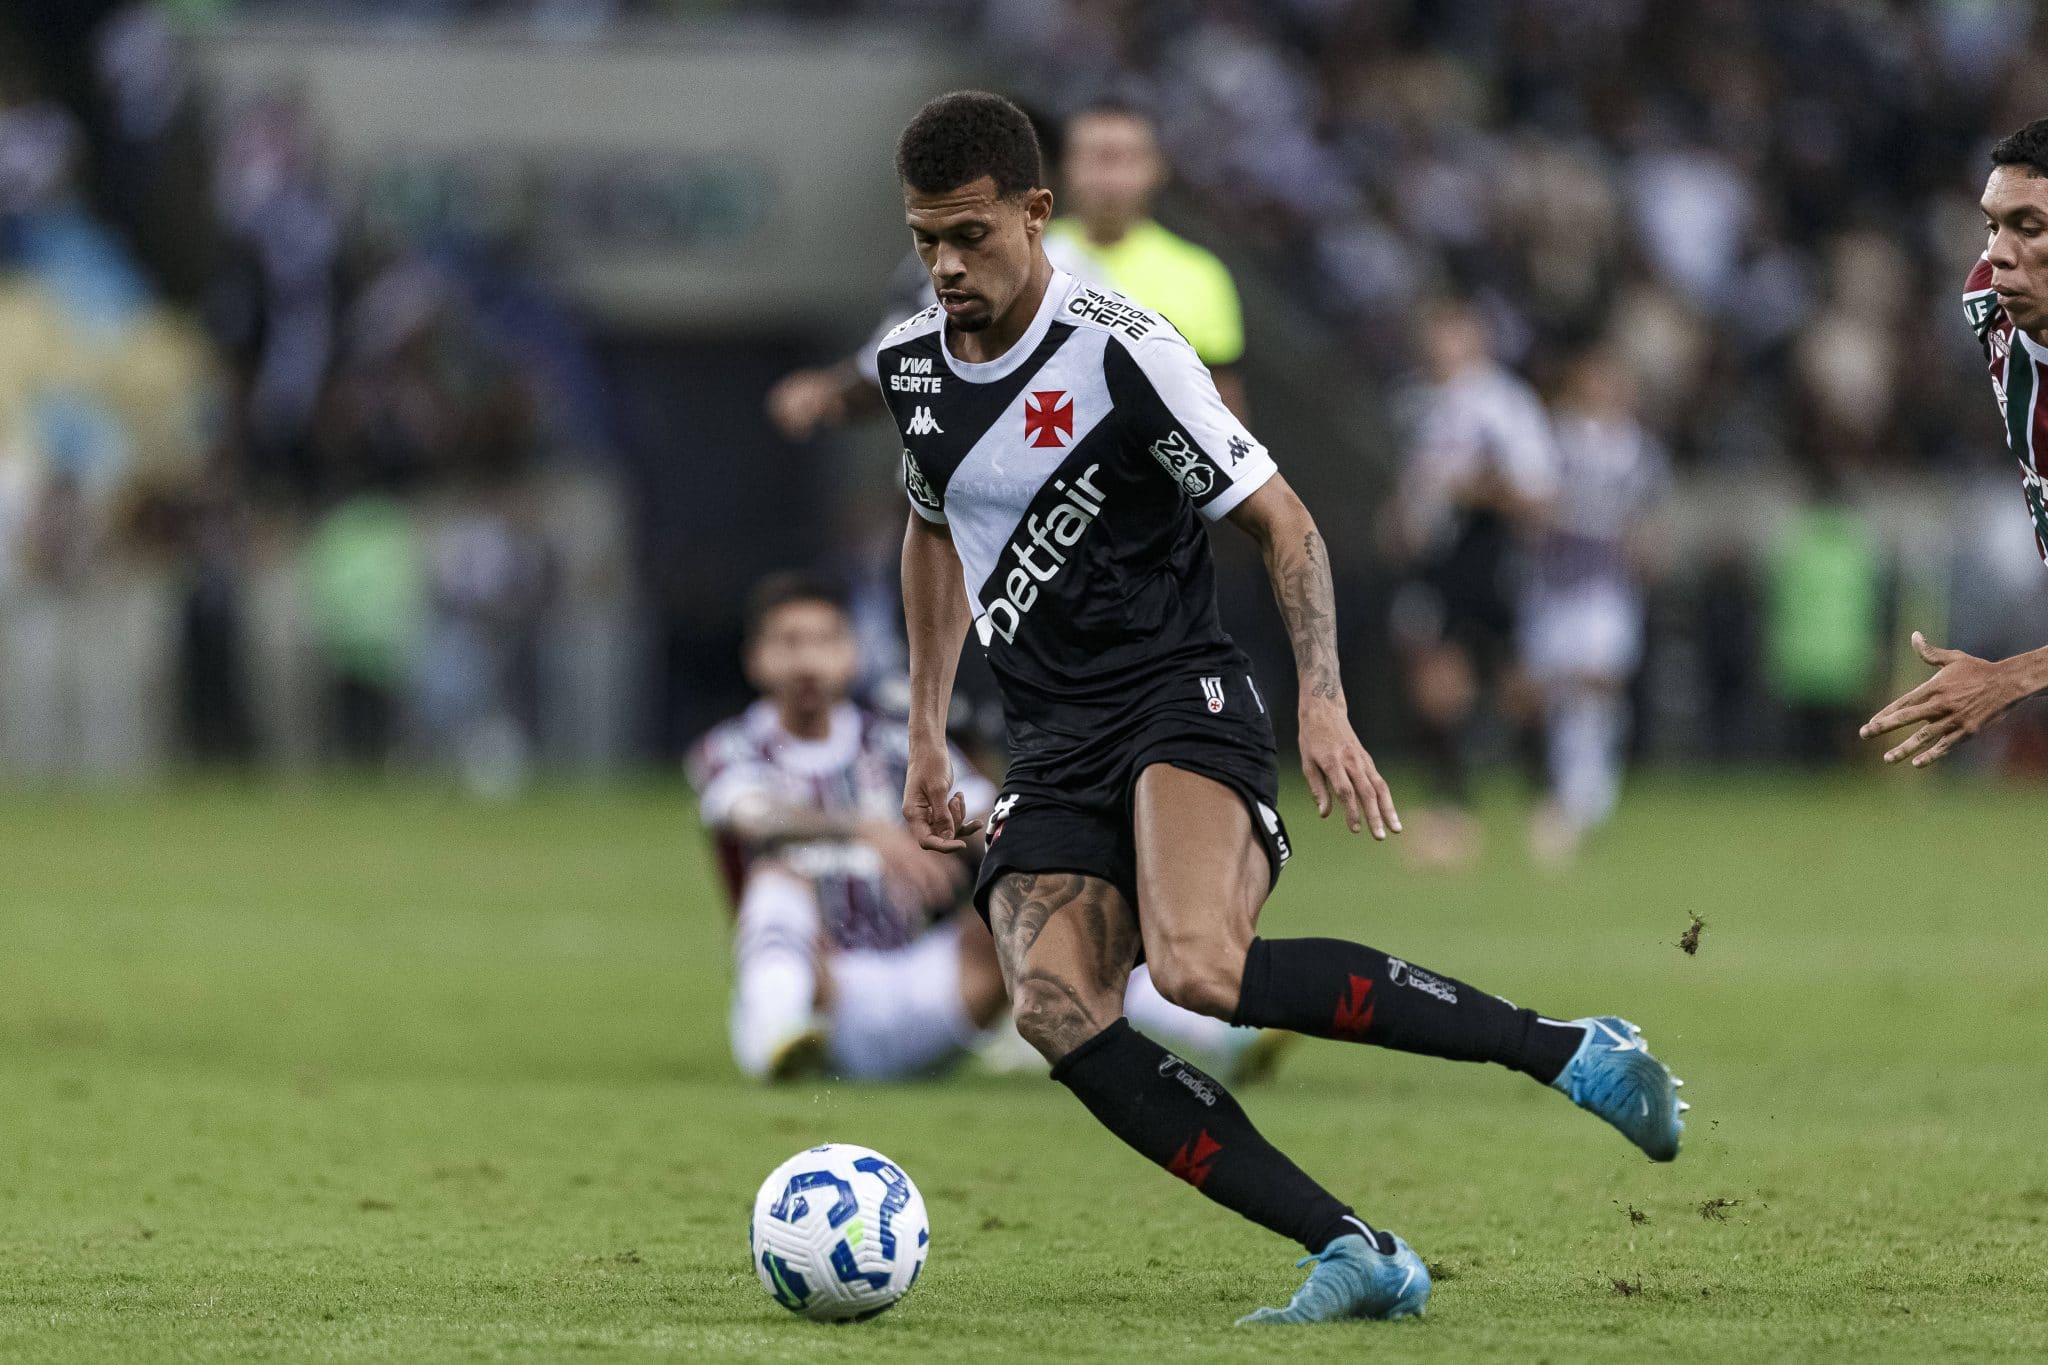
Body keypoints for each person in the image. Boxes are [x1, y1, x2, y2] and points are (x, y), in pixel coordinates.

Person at [881, 91, 1686, 1326]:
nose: (945, 266)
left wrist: (1320, 702)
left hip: (1177, 699)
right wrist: (926, 733)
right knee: (1052, 1007)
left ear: (1034, 214)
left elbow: (1282, 521)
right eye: (926, 239)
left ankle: (1566, 1049)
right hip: (1052, 734)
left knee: (1198, 970)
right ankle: (1351, 1248)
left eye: (969, 236)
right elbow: (931, 526)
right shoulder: (909, 368)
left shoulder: (1122, 352)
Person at [767, 100, 1247, 440]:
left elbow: (1215, 407)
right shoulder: (1007, 255)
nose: (1108, 178)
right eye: (1093, 158)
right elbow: (908, 356)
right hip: (962, 485)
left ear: (1157, 168)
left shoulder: (1196, 276)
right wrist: (834, 392)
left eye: (1123, 159)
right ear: (1065, 168)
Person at [687, 573, 1007, 1082]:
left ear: (853, 653)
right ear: (756, 658)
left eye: (825, 641)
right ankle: (775, 1037)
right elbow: (752, 817)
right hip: (821, 991)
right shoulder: (731, 747)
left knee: (1027, 894)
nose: (808, 662)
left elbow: (988, 813)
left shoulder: (899, 743)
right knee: (775, 882)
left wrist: (967, 832)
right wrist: (866, 830)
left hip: (917, 979)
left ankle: (1089, 1023)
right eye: (790, 643)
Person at [1865, 118, 2048, 765]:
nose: (1999, 253)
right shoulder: (1988, 302)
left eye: (2029, 227)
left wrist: (2006, 678)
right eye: (1992, 225)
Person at [1384, 302, 1558, 866]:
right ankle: (1451, 810)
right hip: (1436, 561)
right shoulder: (1416, 401)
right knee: (1434, 680)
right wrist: (1403, 519)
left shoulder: (1504, 404)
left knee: (1516, 683)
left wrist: (1474, 490)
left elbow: (1537, 491)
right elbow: (1419, 483)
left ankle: (1548, 801)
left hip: (1489, 550)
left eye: (1452, 336)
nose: (1440, 347)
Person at [1520, 346, 1668, 862]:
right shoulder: (1556, 439)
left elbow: (1648, 516)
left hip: (1608, 584)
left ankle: (1584, 789)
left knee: (1599, 675)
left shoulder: (1639, 449)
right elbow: (1533, 504)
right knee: (1555, 686)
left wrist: (1647, 548)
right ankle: (1566, 784)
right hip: (1556, 580)